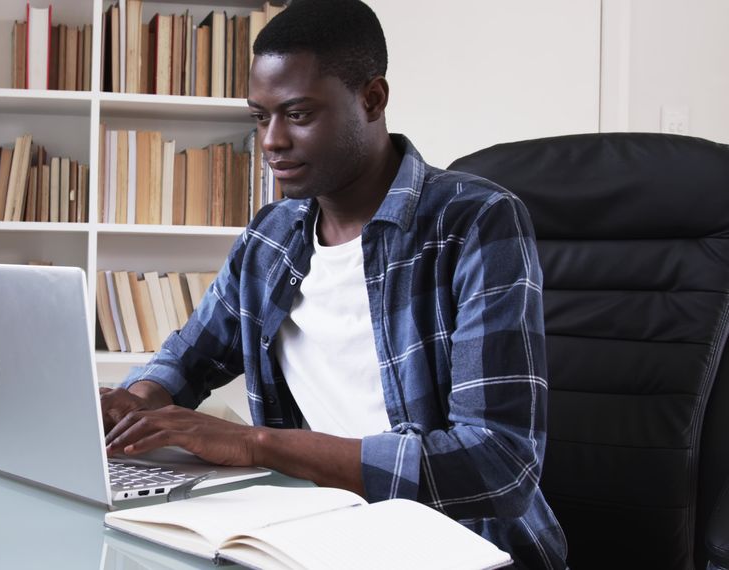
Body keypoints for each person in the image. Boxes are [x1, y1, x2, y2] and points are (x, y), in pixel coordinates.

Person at [101, 0, 567, 567]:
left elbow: (500, 463)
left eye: (297, 115)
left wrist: (256, 444)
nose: (270, 141)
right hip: (313, 534)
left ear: (372, 99)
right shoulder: (270, 238)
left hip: (459, 546)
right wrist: (135, 405)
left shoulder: (476, 223)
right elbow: (189, 357)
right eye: (260, 116)